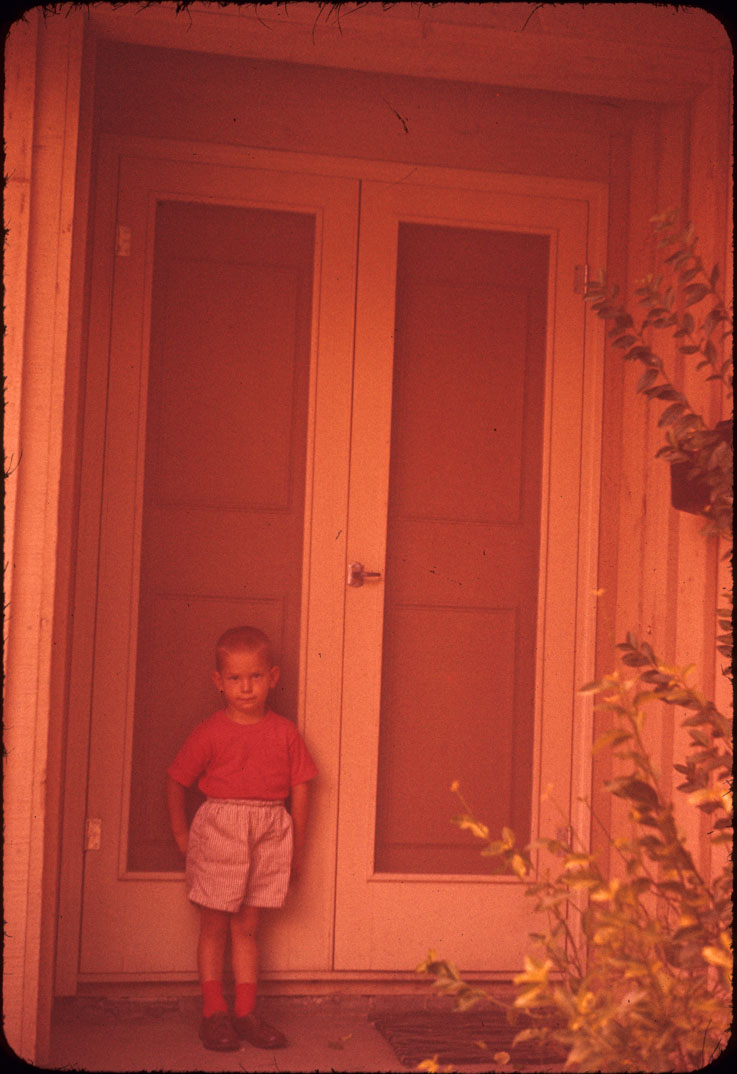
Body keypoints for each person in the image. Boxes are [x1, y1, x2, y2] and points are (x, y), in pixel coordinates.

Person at [167, 626, 318, 1052]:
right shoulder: (210, 732)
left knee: (248, 926)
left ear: (272, 677)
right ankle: (214, 1012)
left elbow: (302, 788)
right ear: (219, 681)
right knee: (214, 924)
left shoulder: (285, 733)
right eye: (235, 678)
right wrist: (181, 835)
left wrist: (297, 849)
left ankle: (246, 1012)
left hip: (269, 833)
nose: (246, 687)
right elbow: (176, 780)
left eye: (255, 677)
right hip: (220, 832)